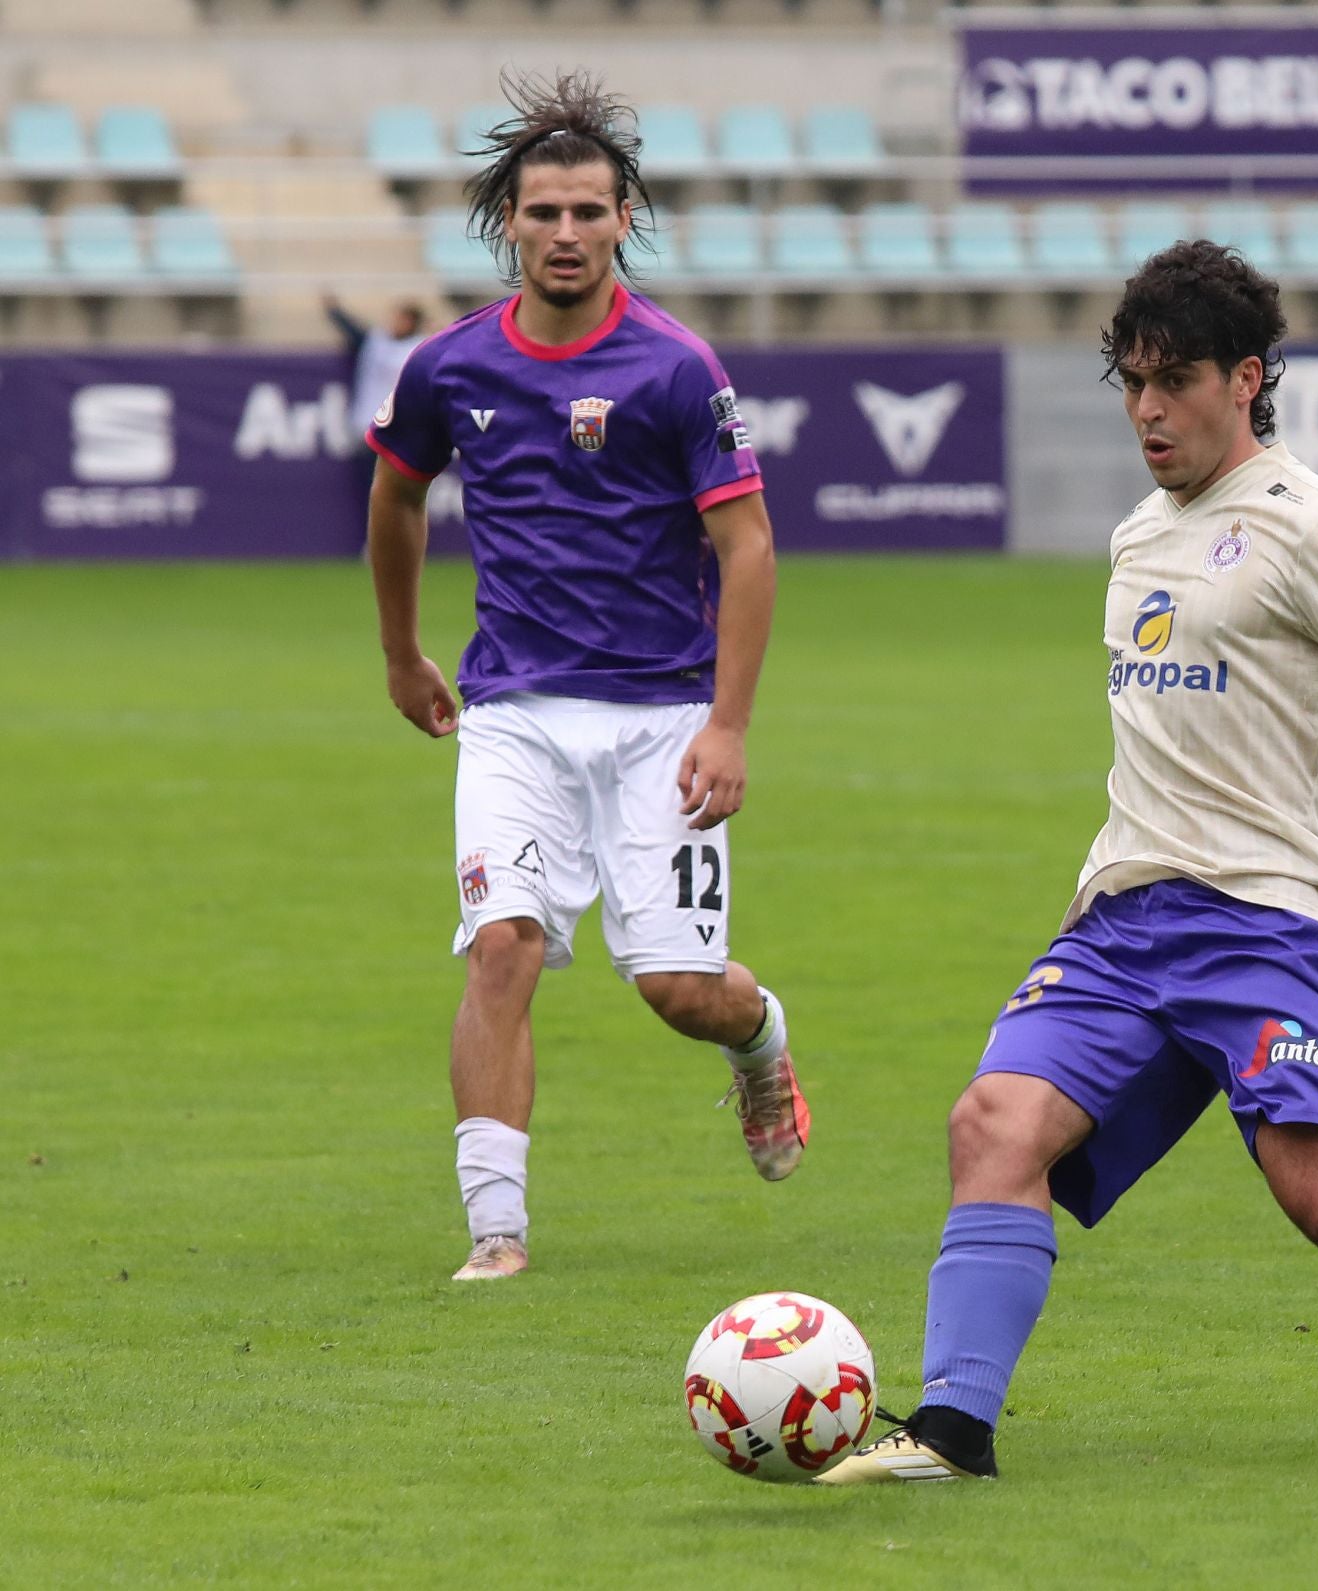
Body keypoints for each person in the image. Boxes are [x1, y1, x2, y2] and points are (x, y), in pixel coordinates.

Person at [820, 241, 1318, 1483]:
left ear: (1247, 379)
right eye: (1130, 383)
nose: (1147, 410)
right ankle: (950, 1432)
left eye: (1175, 382)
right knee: (992, 1125)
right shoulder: (1137, 537)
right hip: (1121, 921)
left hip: (1269, 924)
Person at [364, 72, 807, 1283]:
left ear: (624, 219)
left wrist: (729, 723)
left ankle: (760, 1040)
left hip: (663, 716)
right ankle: (495, 1231)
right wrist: (403, 651)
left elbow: (748, 544)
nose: (566, 234)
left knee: (679, 990)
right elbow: (396, 497)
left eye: (589, 213)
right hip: (510, 712)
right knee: (499, 946)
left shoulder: (674, 367)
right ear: (508, 219)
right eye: (544, 212)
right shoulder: (449, 367)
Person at [324, 294, 427, 508]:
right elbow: (354, 332)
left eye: (400, 318)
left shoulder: (421, 349)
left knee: (400, 492)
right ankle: (375, 540)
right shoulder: (376, 341)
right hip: (370, 426)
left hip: (401, 431)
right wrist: (334, 311)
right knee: (373, 491)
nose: (394, 323)